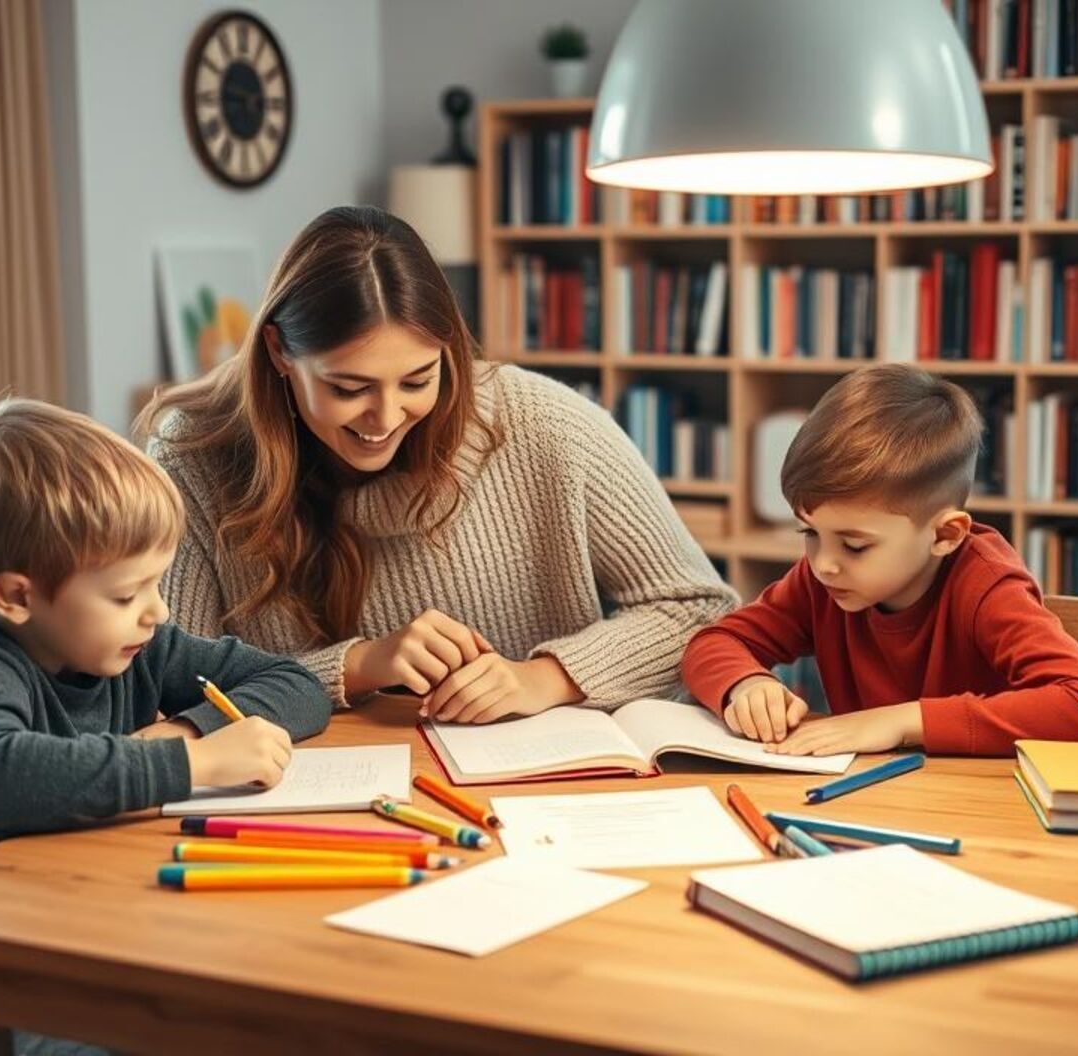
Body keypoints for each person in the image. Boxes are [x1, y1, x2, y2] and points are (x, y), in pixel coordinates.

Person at [0, 398, 331, 1055]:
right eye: (127, 594)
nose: (156, 612)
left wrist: (185, 733)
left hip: (46, 948)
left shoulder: (131, 643)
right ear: (18, 596)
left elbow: (298, 686)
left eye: (157, 583)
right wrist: (194, 766)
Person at [140, 205, 735, 724]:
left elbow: (699, 610)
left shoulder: (542, 423)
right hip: (300, 795)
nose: (386, 417)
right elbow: (159, 684)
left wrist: (545, 679)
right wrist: (359, 665)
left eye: (418, 380)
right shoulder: (194, 456)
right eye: (350, 388)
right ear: (278, 352)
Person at [681, 363, 1078, 757]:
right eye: (810, 533)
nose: (824, 564)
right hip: (877, 803)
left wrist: (900, 721)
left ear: (945, 535)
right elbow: (713, 644)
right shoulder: (823, 583)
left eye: (855, 546)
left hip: (985, 812)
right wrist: (746, 684)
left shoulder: (985, 585)